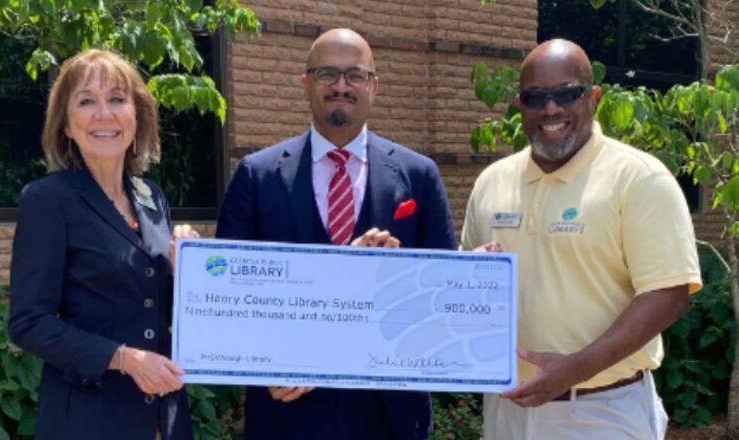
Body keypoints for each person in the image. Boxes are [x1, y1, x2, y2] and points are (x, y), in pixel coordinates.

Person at [215, 28, 457, 440]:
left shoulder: (419, 175)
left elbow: (442, 292)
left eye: (355, 75)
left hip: (390, 414)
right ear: (307, 83)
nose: (341, 86)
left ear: (373, 86)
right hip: (286, 412)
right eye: (328, 74)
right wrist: (267, 362)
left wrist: (403, 272)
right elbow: (228, 298)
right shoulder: (256, 176)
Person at [461, 38, 702, 440]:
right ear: (520, 106)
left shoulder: (640, 178)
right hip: (506, 408)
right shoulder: (492, 182)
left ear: (593, 98)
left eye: (566, 94)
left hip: (602, 410)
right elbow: (464, 291)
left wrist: (573, 369)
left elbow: (668, 295)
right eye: (536, 97)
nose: (551, 108)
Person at [9, 49, 196, 440]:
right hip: (88, 420)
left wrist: (187, 272)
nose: (104, 114)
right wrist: (123, 359)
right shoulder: (47, 200)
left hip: (165, 418)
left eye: (116, 99)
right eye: (86, 101)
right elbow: (29, 323)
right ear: (66, 125)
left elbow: (158, 308)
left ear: (136, 115)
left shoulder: (151, 196)